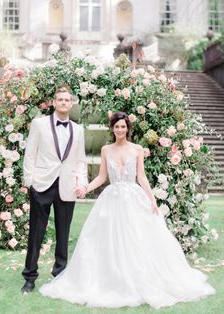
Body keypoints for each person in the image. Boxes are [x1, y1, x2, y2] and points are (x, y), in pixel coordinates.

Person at [39, 112, 215, 309]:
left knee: (137, 238)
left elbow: (142, 177)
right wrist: (85, 188)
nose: (120, 130)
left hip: (133, 198)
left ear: (128, 129)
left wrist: (152, 200)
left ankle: (140, 278)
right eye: (117, 127)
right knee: (108, 240)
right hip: (112, 199)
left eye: (123, 127)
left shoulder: (137, 149)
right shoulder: (106, 149)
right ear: (112, 129)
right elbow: (102, 177)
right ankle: (112, 279)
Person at [21, 86, 88, 293]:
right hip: (42, 184)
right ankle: (30, 276)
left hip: (67, 187)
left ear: (71, 103)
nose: (63, 103)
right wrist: (30, 182)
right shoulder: (39, 124)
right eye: (60, 99)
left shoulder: (78, 130)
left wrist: (82, 183)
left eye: (67, 100)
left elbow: (81, 161)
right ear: (54, 102)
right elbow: (30, 154)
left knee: (63, 232)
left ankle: (59, 274)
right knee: (36, 232)